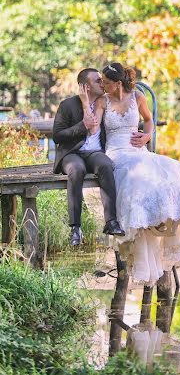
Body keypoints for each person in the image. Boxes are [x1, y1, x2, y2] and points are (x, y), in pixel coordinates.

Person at [88, 62, 180, 285]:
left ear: (118, 83)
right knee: (134, 172)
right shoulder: (102, 101)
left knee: (168, 168)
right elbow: (93, 129)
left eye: (106, 82)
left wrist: (147, 137)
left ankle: (159, 218)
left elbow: (148, 121)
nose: (102, 85)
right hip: (116, 152)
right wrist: (86, 106)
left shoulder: (138, 97)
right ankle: (140, 223)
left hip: (137, 148)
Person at [52, 68, 125, 246]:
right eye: (97, 80)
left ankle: (111, 221)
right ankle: (75, 228)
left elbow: (121, 122)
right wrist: (82, 126)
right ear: (86, 86)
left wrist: (140, 135)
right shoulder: (68, 105)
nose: (102, 83)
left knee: (106, 165)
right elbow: (57, 136)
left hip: (95, 152)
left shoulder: (105, 103)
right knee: (77, 170)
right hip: (72, 154)